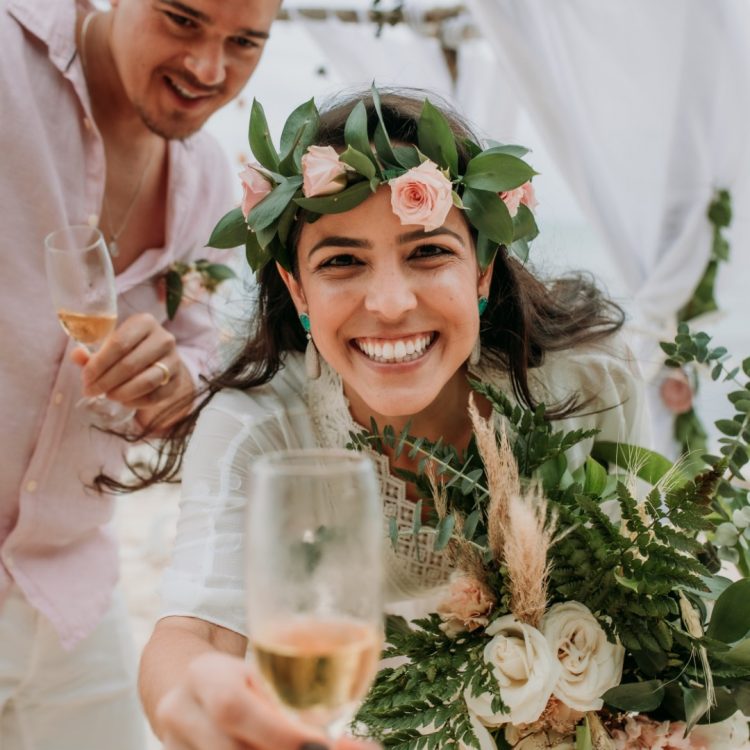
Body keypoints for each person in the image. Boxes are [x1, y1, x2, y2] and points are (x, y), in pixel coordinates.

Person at [137, 88, 649, 748]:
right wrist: (194, 697)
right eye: (343, 261)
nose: (388, 302)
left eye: (429, 252)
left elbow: (640, 591)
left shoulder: (588, 382)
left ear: (484, 270)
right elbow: (196, 631)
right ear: (297, 289)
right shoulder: (258, 430)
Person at [0, 0, 287, 747]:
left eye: (244, 43)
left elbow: (200, 361)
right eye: (182, 21)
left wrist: (177, 384)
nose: (207, 69)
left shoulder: (211, 186)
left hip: (70, 591)